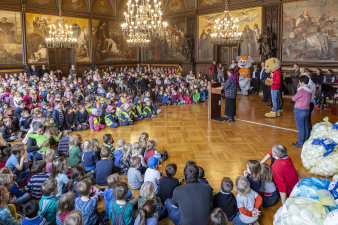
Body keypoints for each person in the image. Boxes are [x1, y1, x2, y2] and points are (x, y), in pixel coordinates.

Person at [291, 75, 312, 148]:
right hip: (307, 109)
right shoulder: (309, 89)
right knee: (305, 126)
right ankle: (305, 141)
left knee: (300, 128)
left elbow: (293, 98)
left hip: (299, 109)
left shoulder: (302, 90)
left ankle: (300, 143)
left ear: (302, 82)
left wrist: (296, 99)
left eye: (299, 82)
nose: (299, 83)